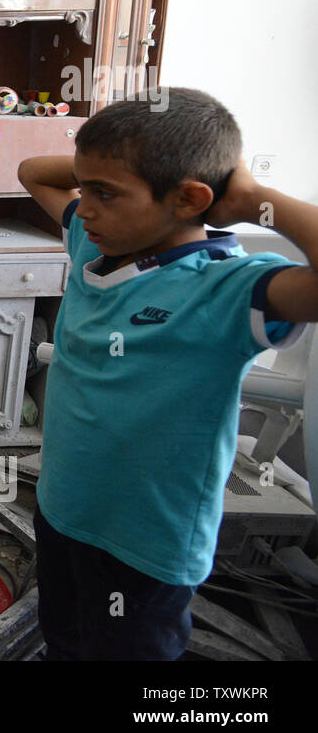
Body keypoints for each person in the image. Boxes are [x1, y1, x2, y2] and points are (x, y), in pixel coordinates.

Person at [17, 87, 318, 659]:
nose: (85, 206)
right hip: (63, 509)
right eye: (84, 190)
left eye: (105, 193)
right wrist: (106, 171)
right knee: (66, 638)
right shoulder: (92, 239)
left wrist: (251, 197)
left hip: (145, 546)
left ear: (189, 199)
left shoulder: (226, 289)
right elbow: (33, 170)